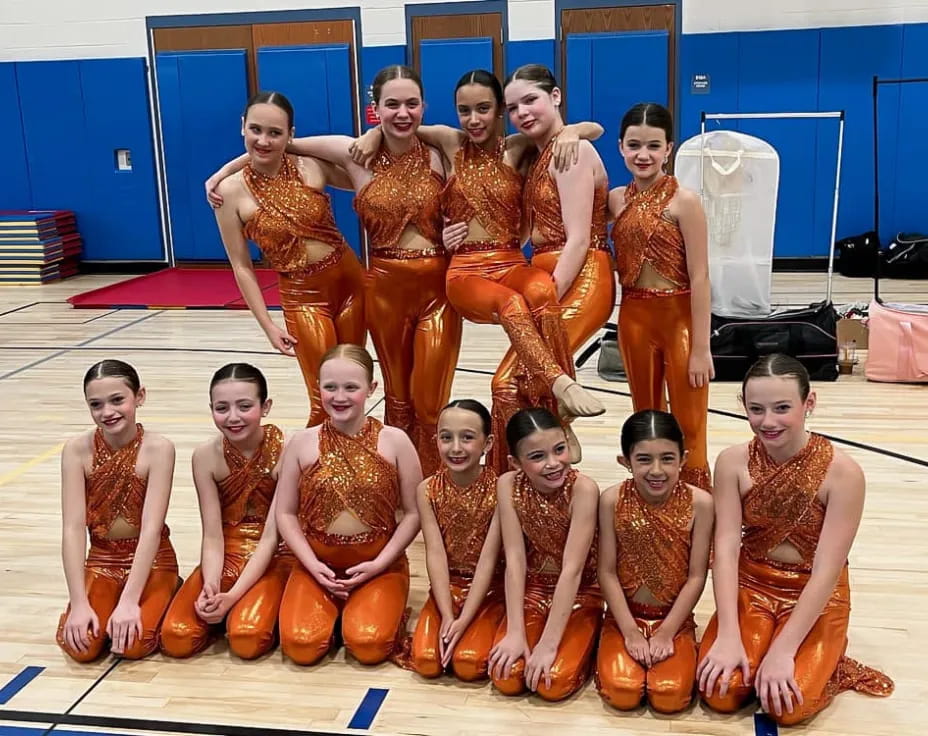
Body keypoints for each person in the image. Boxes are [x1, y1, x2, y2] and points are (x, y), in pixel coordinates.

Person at [350, 69, 606, 469]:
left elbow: (589, 128)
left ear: (498, 112)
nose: (474, 119)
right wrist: (371, 134)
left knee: (540, 290)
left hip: (508, 261)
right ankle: (560, 385)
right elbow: (402, 126)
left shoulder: (518, 147)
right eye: (464, 110)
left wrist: (575, 130)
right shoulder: (450, 143)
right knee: (513, 305)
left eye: (484, 109)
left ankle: (556, 415)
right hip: (465, 271)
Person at [696, 354, 893, 725]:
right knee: (719, 692)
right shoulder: (732, 462)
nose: (767, 422)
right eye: (756, 409)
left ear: (809, 403)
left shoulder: (843, 474)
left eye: (782, 408)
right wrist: (728, 632)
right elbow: (724, 550)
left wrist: (784, 651)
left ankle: (827, 655)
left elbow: (827, 569)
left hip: (815, 592)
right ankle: (761, 643)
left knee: (788, 707)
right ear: (743, 407)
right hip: (751, 585)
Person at [207, 91, 365, 427]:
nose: (263, 140)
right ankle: (316, 473)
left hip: (351, 283)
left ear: (291, 134)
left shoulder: (311, 165)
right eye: (256, 130)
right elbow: (241, 265)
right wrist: (267, 325)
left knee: (353, 388)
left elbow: (357, 161)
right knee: (324, 398)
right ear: (242, 128)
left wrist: (291, 147)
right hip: (302, 296)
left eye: (276, 133)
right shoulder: (228, 192)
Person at [274, 344, 422, 665]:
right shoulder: (301, 442)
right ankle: (334, 617)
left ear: (371, 389)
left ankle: (362, 616)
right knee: (300, 646)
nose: (339, 396)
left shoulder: (395, 441)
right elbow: (284, 513)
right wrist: (311, 565)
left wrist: (381, 563)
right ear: (318, 388)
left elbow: (414, 513)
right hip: (318, 566)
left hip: (377, 564)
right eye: (330, 387)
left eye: (351, 387)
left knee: (369, 646)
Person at [500, 65, 616, 462]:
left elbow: (579, 238)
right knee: (521, 381)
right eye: (512, 107)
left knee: (508, 381)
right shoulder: (538, 154)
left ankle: (538, 468)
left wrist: (545, 298)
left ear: (556, 96)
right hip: (546, 276)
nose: (522, 113)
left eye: (530, 100)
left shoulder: (572, 150)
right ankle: (554, 444)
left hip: (579, 276)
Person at [609, 102, 713, 488]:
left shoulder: (684, 202)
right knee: (646, 418)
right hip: (634, 318)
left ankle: (698, 501)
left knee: (689, 422)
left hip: (679, 320)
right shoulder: (617, 199)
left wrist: (702, 347)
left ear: (669, 148)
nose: (643, 155)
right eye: (634, 145)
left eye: (653, 146)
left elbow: (701, 277)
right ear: (620, 146)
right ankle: (653, 497)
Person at [160, 364, 291, 659]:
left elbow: (271, 537)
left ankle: (268, 608)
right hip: (227, 553)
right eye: (222, 408)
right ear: (211, 409)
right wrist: (211, 583)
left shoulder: (288, 450)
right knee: (176, 637)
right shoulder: (205, 457)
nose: (233, 417)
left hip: (276, 556)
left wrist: (232, 595)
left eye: (244, 406)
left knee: (248, 639)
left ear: (265, 406)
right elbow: (212, 535)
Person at [57, 360, 178, 661]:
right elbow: (72, 529)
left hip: (152, 560)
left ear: (139, 397)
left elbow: (151, 529)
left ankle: (168, 589)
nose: (107, 412)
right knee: (80, 647)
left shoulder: (158, 449)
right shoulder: (76, 450)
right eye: (96, 404)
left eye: (117, 400)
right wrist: (79, 602)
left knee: (131, 645)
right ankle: (99, 604)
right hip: (101, 559)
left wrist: (129, 601)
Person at [596, 409, 713, 712]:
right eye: (644, 459)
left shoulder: (701, 503)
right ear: (625, 461)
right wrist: (630, 631)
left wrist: (666, 631)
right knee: (622, 692)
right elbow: (606, 571)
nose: (657, 470)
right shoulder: (611, 500)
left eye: (667, 458)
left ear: (683, 459)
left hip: (674, 618)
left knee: (669, 696)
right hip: (625, 615)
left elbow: (697, 575)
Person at [489, 407, 602, 701]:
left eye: (559, 450)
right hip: (534, 589)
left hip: (581, 592)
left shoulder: (583, 490)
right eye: (537, 457)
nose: (553, 464)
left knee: (552, 682)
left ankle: (587, 639)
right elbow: (514, 560)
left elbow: (572, 570)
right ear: (515, 462)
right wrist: (515, 631)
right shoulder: (507, 485)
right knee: (507, 676)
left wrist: (549, 644)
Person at [409, 399, 505, 680]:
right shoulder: (427, 490)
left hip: (489, 590)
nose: (456, 448)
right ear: (435, 439)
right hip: (446, 588)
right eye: (446, 437)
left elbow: (489, 559)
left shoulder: (501, 489)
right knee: (426, 662)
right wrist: (448, 614)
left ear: (487, 444)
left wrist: (464, 619)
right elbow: (435, 554)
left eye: (467, 438)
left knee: (468, 664)